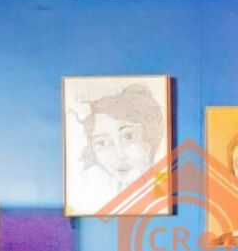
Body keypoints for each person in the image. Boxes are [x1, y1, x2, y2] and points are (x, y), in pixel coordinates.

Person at [68, 83, 166, 212]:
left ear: (149, 139)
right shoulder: (96, 196)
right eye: (102, 143)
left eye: (128, 136)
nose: (119, 155)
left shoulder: (163, 194)